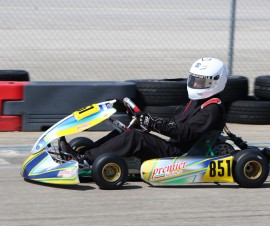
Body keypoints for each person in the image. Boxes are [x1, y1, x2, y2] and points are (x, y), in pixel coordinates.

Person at [59, 57, 228, 164]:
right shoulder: (197, 102)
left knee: (135, 137)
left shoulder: (213, 108)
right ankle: (86, 153)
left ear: (215, 82)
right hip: (174, 145)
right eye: (194, 80)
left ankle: (83, 159)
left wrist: (154, 123)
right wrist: (150, 121)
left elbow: (185, 133)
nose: (195, 85)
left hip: (182, 153)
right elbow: (175, 124)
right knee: (127, 130)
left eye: (200, 82)